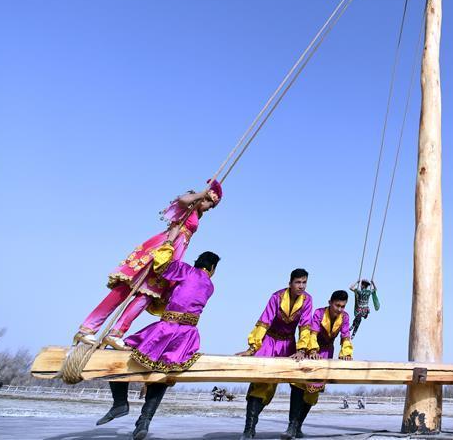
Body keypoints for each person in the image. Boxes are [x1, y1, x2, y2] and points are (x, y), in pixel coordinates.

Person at [75, 182, 222, 348]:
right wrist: (201, 194)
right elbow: (182, 200)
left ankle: (116, 333)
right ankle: (87, 328)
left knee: (147, 295)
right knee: (125, 289)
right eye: (210, 204)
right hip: (162, 248)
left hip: (174, 254)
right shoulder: (189, 206)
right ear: (206, 198)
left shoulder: (196, 213)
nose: (209, 208)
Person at [96, 249, 220, 440]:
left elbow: (162, 265)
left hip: (166, 329)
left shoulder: (186, 271)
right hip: (187, 336)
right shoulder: (210, 285)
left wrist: (168, 245)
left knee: (119, 353)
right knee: (162, 374)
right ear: (212, 268)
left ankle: (120, 403)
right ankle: (144, 421)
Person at [237, 269, 314, 440]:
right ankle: (249, 429)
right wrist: (252, 347)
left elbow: (305, 326)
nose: (301, 286)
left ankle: (292, 428)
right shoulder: (277, 296)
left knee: (299, 382)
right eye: (298, 282)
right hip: (269, 342)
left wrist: (301, 349)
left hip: (289, 344)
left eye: (304, 282)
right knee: (262, 383)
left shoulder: (307, 300)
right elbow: (264, 321)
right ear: (290, 283)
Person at [284, 290, 354, 439]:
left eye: (343, 306)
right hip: (312, 351)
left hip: (326, 354)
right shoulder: (319, 313)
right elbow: (312, 333)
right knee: (298, 388)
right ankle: (291, 426)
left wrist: (346, 354)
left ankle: (298, 426)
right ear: (330, 302)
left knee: (312, 392)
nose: (340, 309)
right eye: (337, 305)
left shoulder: (345, 317)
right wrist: (313, 350)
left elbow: (345, 336)